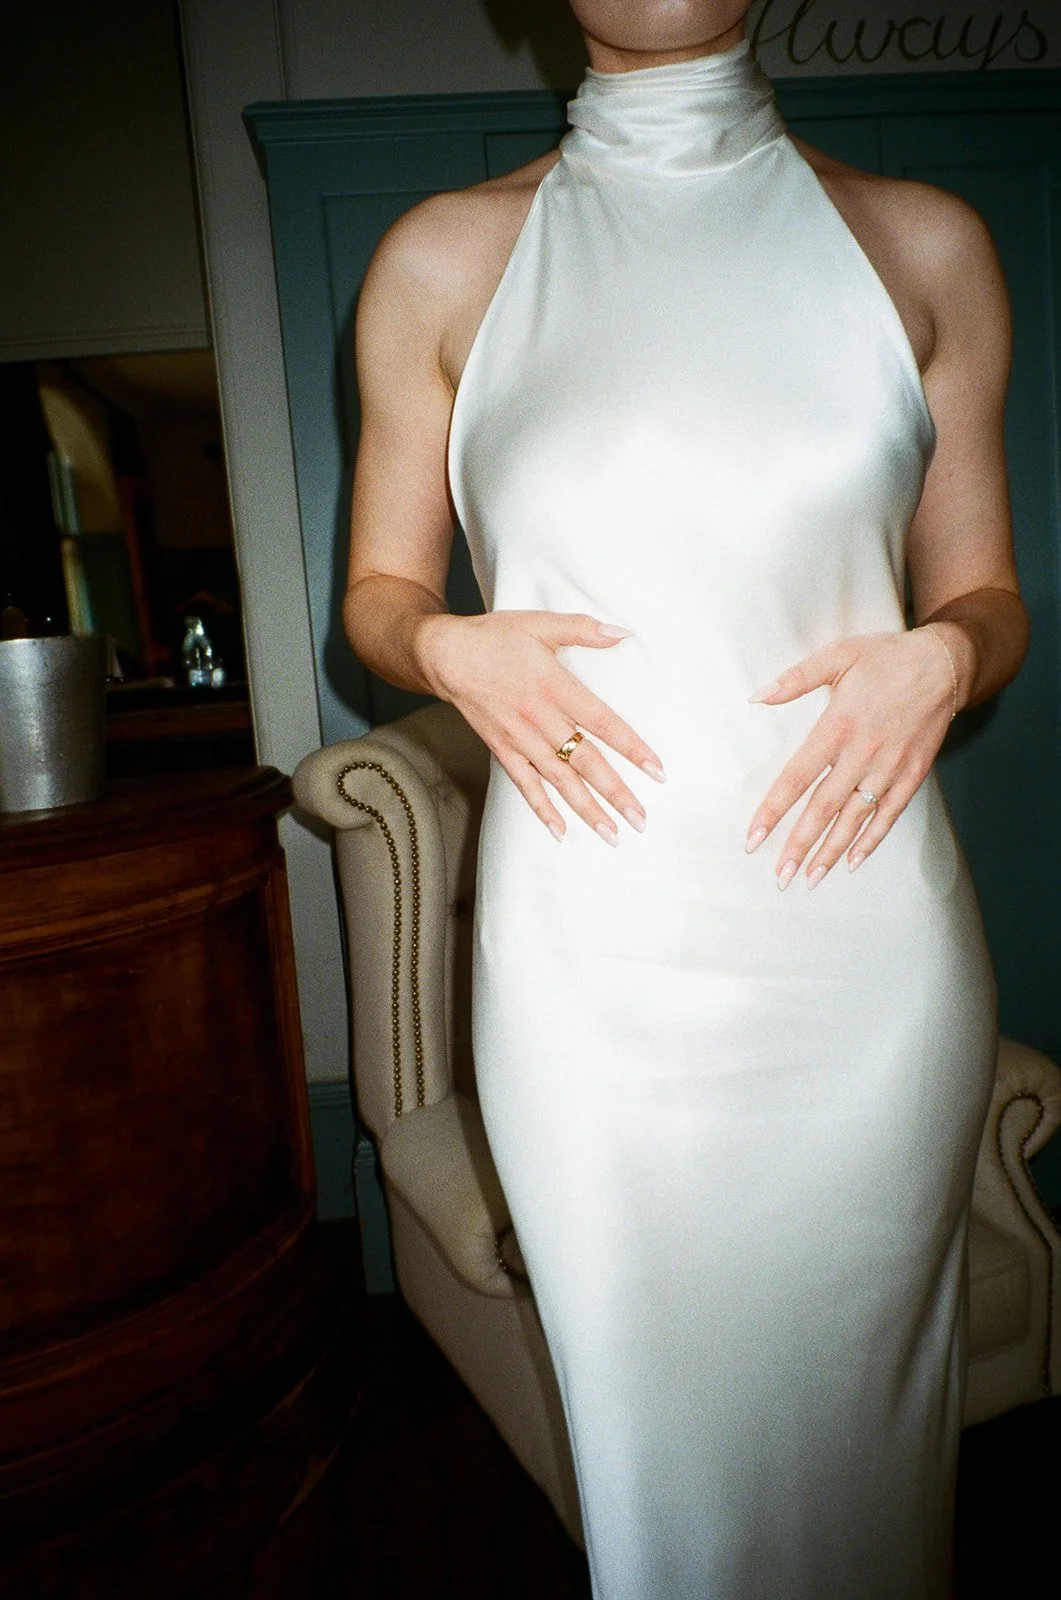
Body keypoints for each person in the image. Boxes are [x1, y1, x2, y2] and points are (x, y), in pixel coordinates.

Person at [344, 3, 1029, 1595]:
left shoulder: (926, 245)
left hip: (866, 959)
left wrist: (946, 658)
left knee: (870, 1458)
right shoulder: (442, 260)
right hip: (591, 974)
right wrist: (438, 645)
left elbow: (988, 593)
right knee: (666, 1478)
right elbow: (377, 590)